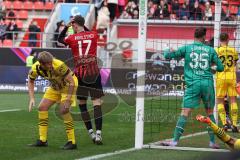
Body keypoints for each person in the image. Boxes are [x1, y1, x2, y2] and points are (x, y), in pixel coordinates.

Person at [161, 27, 224, 148]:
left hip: (193, 84)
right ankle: (212, 142)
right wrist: (211, 68)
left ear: (194, 36)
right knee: (210, 113)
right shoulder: (210, 50)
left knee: (185, 112)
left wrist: (165, 49)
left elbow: (168, 56)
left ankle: (174, 141)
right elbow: (221, 68)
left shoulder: (187, 48)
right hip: (207, 84)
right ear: (204, 37)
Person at [58, 15, 104, 145]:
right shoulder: (93, 35)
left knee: (82, 104)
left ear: (74, 25)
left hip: (80, 74)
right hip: (93, 72)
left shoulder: (71, 38)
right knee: (97, 103)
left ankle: (91, 134)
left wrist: (66, 27)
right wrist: (82, 27)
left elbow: (60, 39)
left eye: (73, 25)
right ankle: (99, 134)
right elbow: (88, 32)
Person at [28, 51, 78, 150]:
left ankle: (72, 142)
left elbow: (72, 82)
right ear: (41, 64)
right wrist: (32, 98)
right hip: (55, 87)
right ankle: (43, 140)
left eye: (51, 62)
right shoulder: (35, 68)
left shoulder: (58, 64)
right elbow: (30, 80)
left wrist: (68, 99)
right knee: (42, 108)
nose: (51, 65)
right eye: (48, 64)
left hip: (68, 86)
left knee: (64, 110)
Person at [215, 33, 239, 132]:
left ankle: (224, 124)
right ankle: (234, 125)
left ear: (219, 40)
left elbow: (213, 63)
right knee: (233, 100)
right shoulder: (233, 50)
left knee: (220, 101)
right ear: (228, 39)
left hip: (221, 77)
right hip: (231, 77)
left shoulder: (216, 50)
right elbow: (235, 63)